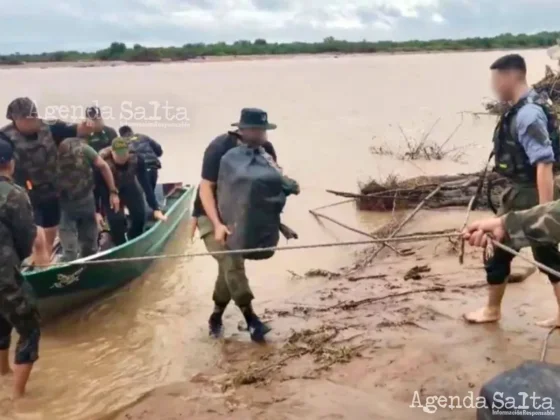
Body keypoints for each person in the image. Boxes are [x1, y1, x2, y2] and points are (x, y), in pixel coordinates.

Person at [464, 54, 560, 326]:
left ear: (509, 77)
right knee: (516, 251)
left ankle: (492, 310)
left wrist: (543, 213)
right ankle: (493, 310)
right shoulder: (526, 105)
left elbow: (544, 164)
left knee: (536, 253)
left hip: (530, 194)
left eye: (495, 80)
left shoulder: (528, 114)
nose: (494, 86)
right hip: (521, 192)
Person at [198, 108, 281, 342]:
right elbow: (206, 188)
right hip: (210, 214)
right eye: (257, 130)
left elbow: (268, 189)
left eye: (264, 130)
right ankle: (251, 320)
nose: (262, 135)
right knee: (231, 260)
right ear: (242, 130)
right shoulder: (219, 148)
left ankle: (215, 316)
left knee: (227, 270)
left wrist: (278, 222)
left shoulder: (267, 150)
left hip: (242, 217)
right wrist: (216, 224)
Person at [1, 97, 94, 267]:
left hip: (51, 188)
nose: (32, 120)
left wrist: (85, 126)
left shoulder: (50, 126)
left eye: (33, 115)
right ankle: (32, 260)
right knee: (33, 229)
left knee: (51, 225)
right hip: (24, 192)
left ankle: (45, 259)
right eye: (26, 118)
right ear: (15, 119)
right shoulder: (4, 137)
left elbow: (76, 130)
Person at [0, 137, 41, 399]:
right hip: (4, 275)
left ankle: (3, 373)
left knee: (1, 320)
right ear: (9, 163)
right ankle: (17, 399)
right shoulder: (13, 194)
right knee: (29, 328)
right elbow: (26, 238)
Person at [56, 137, 120, 262]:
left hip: (86, 201)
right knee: (70, 251)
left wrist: (113, 191)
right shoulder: (47, 153)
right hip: (64, 205)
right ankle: (66, 274)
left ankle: (87, 269)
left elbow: (103, 166)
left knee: (89, 247)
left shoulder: (83, 149)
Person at [98, 137, 166, 245]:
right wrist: (97, 212)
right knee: (116, 221)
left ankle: (134, 238)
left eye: (124, 154)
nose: (122, 157)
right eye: (119, 155)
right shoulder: (102, 163)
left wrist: (155, 208)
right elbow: (96, 188)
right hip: (108, 190)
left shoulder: (137, 158)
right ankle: (120, 245)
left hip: (129, 185)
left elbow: (145, 184)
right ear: (112, 152)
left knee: (140, 215)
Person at [118, 125, 163, 191]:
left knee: (145, 192)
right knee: (151, 191)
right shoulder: (142, 136)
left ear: (121, 134)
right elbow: (159, 151)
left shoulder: (122, 142)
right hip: (153, 165)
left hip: (139, 168)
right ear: (131, 131)